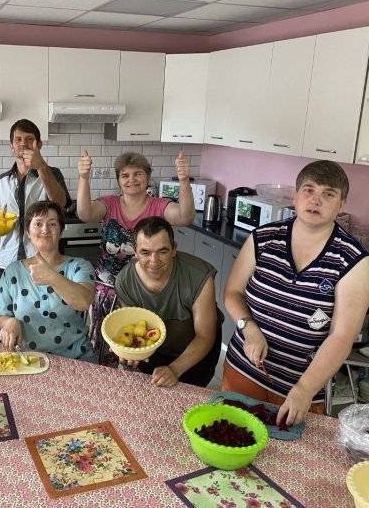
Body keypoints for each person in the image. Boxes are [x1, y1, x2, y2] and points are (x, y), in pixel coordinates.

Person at [222, 160, 369, 426]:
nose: (316, 200)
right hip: (243, 370)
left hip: (300, 389)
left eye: (328, 194)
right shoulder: (262, 239)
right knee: (229, 441)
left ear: (342, 204)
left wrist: (304, 390)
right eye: (309, 190)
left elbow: (342, 335)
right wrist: (250, 328)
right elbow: (232, 292)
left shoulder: (354, 261)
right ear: (296, 195)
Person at [77, 150, 195, 364]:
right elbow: (85, 214)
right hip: (108, 289)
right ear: (119, 180)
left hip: (145, 290)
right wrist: (84, 178)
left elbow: (185, 217)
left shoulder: (159, 205)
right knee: (107, 345)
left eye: (138, 174)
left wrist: (184, 181)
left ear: (148, 177)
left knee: (142, 346)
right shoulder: (109, 203)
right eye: (125, 175)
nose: (132, 180)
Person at [115, 217, 221, 387]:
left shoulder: (199, 275)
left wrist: (175, 369)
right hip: (155, 349)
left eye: (162, 251)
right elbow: (134, 328)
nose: (154, 261)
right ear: (134, 252)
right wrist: (130, 352)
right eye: (145, 252)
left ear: (174, 250)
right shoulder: (124, 280)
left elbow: (205, 336)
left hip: (197, 350)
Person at [0, 200, 96, 362]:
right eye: (38, 224)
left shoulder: (79, 266)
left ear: (61, 231)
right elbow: (1, 315)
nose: (45, 230)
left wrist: (52, 277)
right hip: (28, 360)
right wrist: (9, 322)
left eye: (52, 224)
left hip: (76, 358)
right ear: (27, 231)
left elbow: (83, 301)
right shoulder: (13, 271)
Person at [0, 118, 71, 268]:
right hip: (8, 260)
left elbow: (60, 204)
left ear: (39, 145)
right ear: (11, 146)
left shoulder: (53, 174)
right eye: (18, 139)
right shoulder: (0, 181)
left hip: (44, 261)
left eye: (29, 139)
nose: (23, 143)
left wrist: (41, 167)